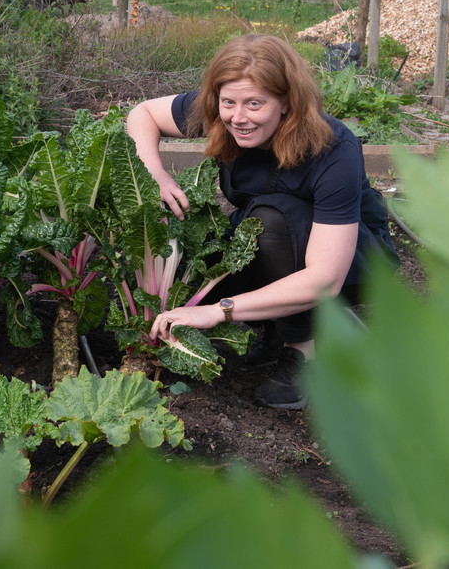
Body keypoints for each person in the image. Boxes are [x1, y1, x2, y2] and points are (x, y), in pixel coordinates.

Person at [125, 34, 395, 409]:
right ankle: (276, 326)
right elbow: (143, 114)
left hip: (351, 263)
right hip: (265, 235)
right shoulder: (222, 112)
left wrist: (217, 312)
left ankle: (305, 349)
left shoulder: (333, 149)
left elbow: (326, 277)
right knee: (194, 271)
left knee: (270, 222)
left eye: (255, 104)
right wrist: (156, 175)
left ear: (286, 102)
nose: (238, 117)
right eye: (228, 103)